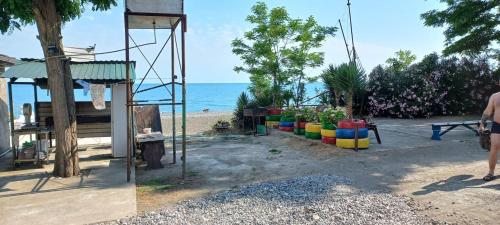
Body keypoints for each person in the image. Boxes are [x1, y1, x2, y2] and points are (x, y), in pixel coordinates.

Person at [480, 92, 500, 181]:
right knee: (494, 147)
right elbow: (488, 111)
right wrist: (482, 124)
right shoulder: (495, 96)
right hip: (497, 125)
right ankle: (491, 173)